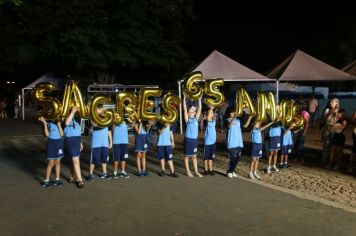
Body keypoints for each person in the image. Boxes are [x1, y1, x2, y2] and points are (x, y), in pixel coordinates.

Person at [88, 105, 113, 181]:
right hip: (96, 143)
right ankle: (90, 175)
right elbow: (89, 132)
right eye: (99, 109)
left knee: (104, 159)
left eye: (101, 109)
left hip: (104, 143)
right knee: (93, 160)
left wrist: (110, 141)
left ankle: (104, 173)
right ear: (96, 110)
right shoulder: (93, 118)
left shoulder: (106, 118)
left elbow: (109, 131)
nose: (101, 110)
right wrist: (92, 126)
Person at [38, 116, 64, 188]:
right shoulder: (49, 123)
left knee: (58, 162)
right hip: (51, 143)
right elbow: (47, 135)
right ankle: (46, 180)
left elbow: (62, 134)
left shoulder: (60, 123)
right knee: (51, 163)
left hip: (59, 143)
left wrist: (59, 124)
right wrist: (44, 123)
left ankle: (57, 179)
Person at [225, 107, 249, 178]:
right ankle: (229, 171)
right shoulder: (227, 120)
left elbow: (245, 126)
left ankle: (232, 170)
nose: (233, 113)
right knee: (233, 157)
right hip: (231, 142)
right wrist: (233, 118)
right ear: (229, 113)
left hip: (238, 142)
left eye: (234, 112)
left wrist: (249, 118)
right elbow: (229, 126)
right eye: (232, 112)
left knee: (237, 158)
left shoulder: (238, 121)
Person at [182, 95, 203, 177]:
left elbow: (200, 109)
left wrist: (199, 100)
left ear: (195, 112)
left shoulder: (196, 119)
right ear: (188, 112)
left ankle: (196, 171)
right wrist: (184, 99)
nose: (191, 112)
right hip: (188, 140)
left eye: (193, 111)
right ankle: (188, 171)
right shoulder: (187, 119)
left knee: (194, 157)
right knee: (187, 156)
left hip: (194, 140)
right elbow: (184, 109)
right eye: (190, 111)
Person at [64, 106, 84, 188]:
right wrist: (72, 112)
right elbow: (66, 123)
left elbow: (78, 131)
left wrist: (81, 143)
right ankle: (80, 180)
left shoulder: (76, 119)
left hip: (77, 140)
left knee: (74, 161)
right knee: (76, 160)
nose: (75, 110)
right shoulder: (65, 117)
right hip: (70, 140)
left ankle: (73, 178)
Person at [203, 107, 216, 176]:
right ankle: (205, 170)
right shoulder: (206, 121)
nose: (210, 114)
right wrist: (211, 108)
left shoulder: (214, 121)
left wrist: (212, 110)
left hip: (213, 142)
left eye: (211, 113)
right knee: (206, 157)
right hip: (207, 142)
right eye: (209, 113)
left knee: (211, 157)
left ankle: (210, 170)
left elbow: (212, 116)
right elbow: (208, 118)